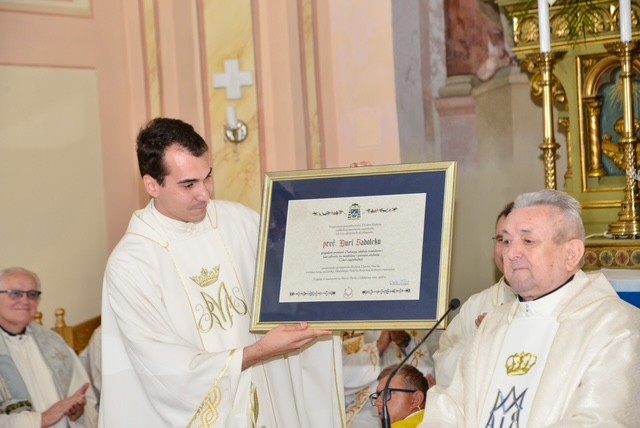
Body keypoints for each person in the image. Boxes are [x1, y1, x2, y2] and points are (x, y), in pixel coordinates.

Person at [99, 117, 344, 427]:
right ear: (152, 185)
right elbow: (163, 371)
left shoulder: (237, 221)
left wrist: (352, 198)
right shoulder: (132, 264)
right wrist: (258, 352)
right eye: (189, 184)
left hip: (265, 402)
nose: (205, 193)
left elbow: (303, 263)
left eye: (208, 177)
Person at [420, 189, 640, 426]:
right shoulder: (494, 324)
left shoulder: (616, 327)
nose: (511, 254)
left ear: (571, 254)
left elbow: (600, 421)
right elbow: (450, 409)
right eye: (506, 241)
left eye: (528, 241)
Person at [0, 267, 98, 428]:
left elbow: (86, 398)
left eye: (32, 294)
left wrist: (78, 413)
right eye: (15, 293)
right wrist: (41, 420)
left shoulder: (53, 342)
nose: (25, 301)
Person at [432, 202, 517, 387]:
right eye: (502, 239)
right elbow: (443, 363)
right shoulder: (476, 305)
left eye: (525, 241)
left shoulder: (561, 301)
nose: (509, 251)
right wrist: (478, 345)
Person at [343, 330, 438, 427]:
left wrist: (406, 342)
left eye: (387, 393)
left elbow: (425, 379)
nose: (377, 402)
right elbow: (338, 378)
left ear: (416, 399)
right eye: (378, 395)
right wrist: (379, 346)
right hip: (365, 413)